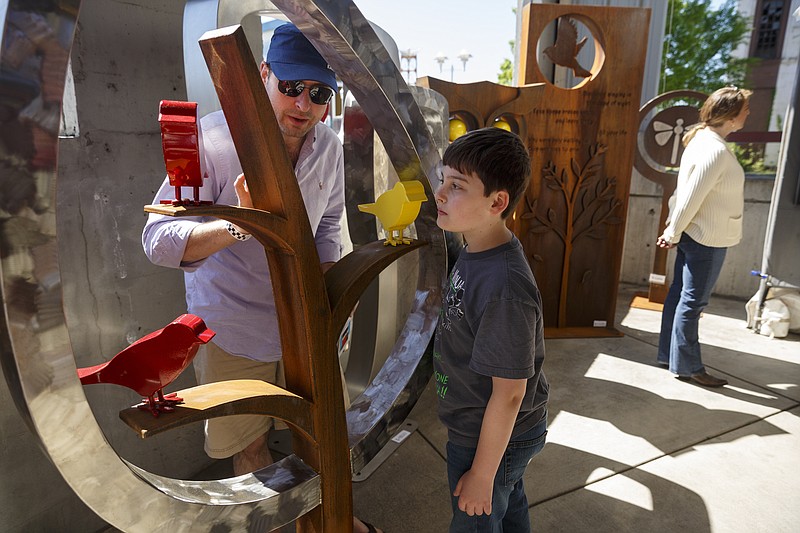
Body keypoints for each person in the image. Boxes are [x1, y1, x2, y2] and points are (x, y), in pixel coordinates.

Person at [142, 23, 380, 533]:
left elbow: (331, 225)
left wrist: (333, 293)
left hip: (305, 325)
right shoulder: (211, 140)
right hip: (234, 332)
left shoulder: (327, 147)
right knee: (246, 443)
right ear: (264, 75)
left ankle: (331, 520)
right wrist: (236, 221)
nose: (304, 105)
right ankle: (277, 524)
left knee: (322, 433)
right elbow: (157, 240)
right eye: (291, 87)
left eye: (319, 93)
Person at [433, 127, 550, 532]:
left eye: (457, 186)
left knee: (476, 518)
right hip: (488, 432)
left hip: (490, 436)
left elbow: (510, 392)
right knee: (507, 502)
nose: (440, 194)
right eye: (442, 180)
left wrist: (482, 473)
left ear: (497, 202)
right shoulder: (476, 248)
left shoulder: (504, 287)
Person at [656, 86, 752, 387]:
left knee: (679, 295)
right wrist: (672, 231)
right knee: (692, 302)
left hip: (694, 233)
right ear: (732, 116)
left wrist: (675, 229)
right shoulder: (714, 150)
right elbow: (691, 196)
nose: (748, 114)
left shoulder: (703, 141)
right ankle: (688, 366)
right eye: (745, 110)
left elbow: (684, 194)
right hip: (706, 238)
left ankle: (667, 355)